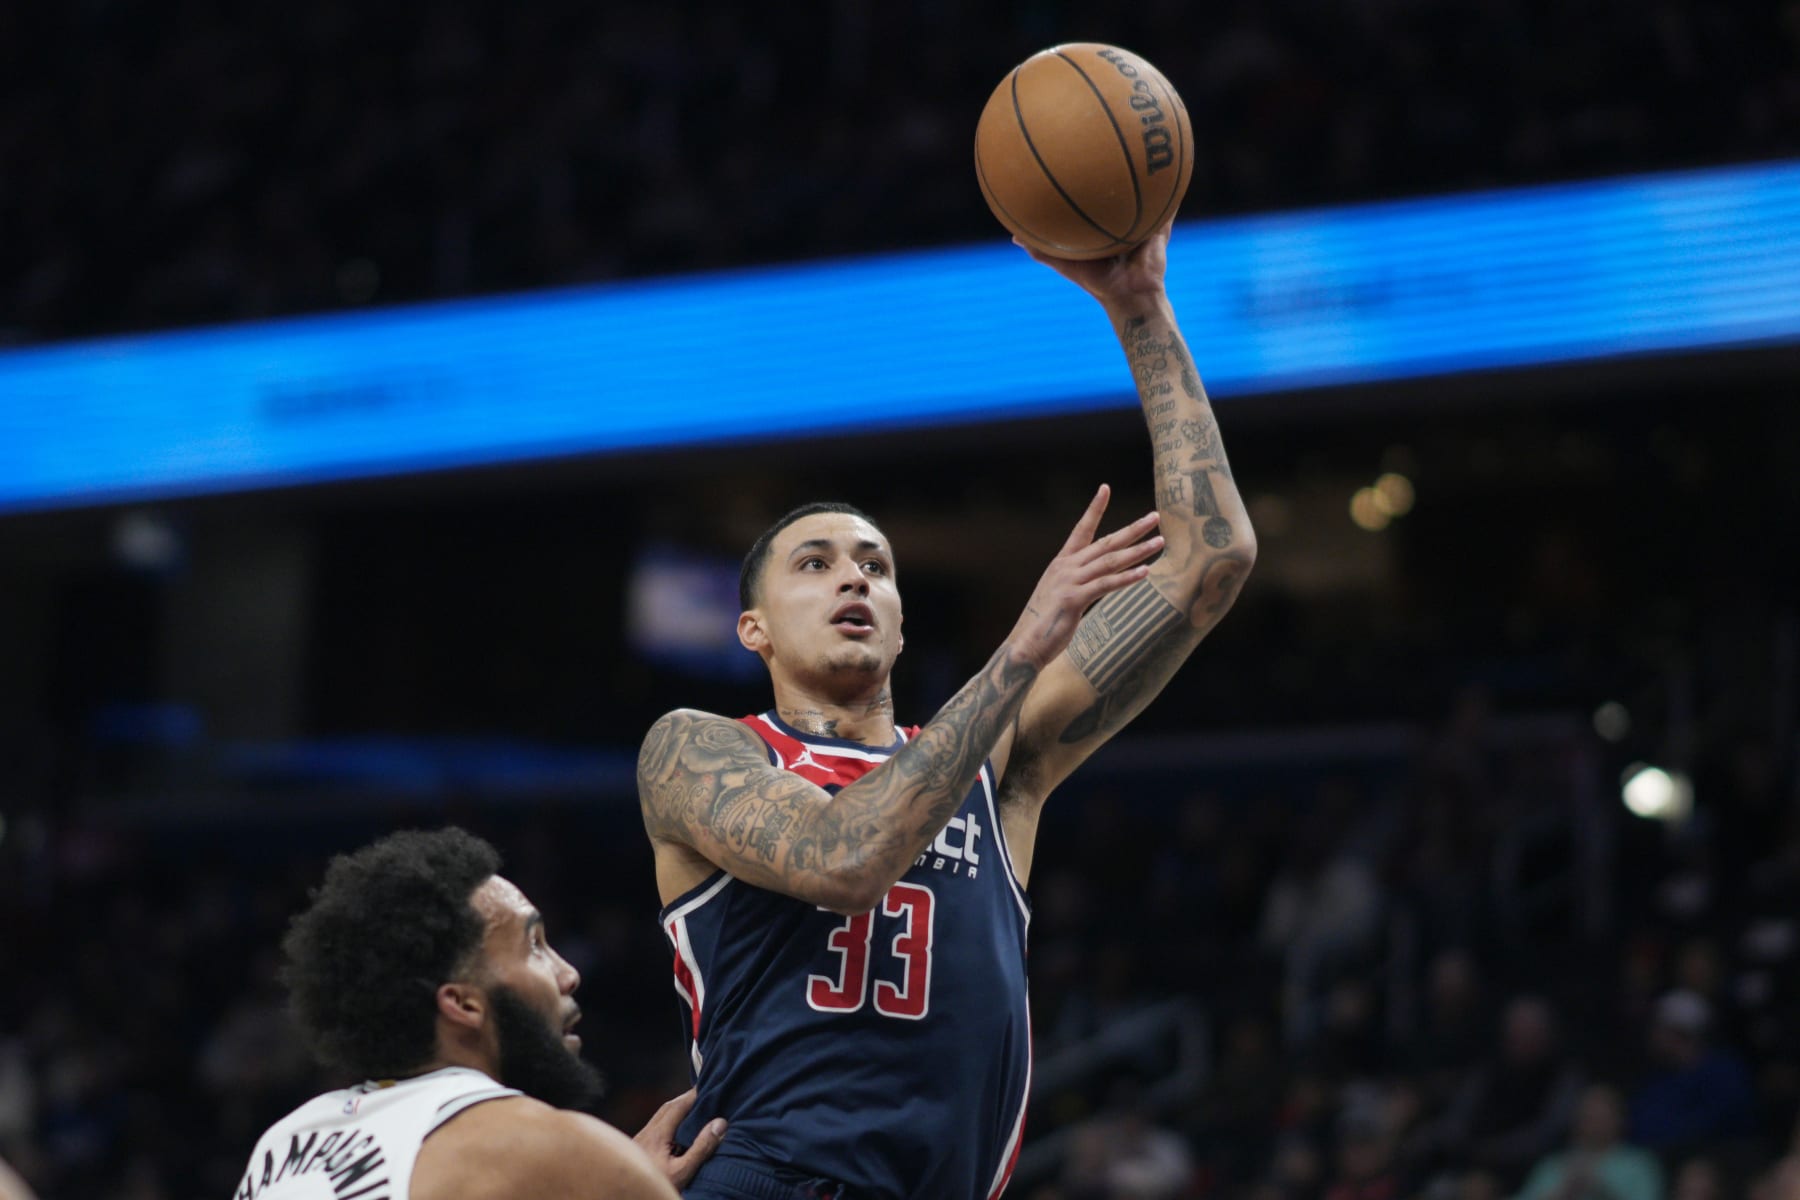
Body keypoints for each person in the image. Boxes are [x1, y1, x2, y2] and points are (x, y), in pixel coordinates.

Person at [636, 222, 1256, 1199]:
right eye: (817, 563)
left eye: (875, 567)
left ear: (899, 618)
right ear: (751, 629)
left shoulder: (994, 758)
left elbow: (1211, 561)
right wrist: (1021, 648)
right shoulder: (696, 751)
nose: (854, 577)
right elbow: (842, 859)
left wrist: (1142, 313)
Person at [227, 827, 723, 1199]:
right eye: (534, 946)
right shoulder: (554, 1148)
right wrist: (618, 1179)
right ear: (463, 1003)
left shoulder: (284, 1142)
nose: (567, 973)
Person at [1514, 1084, 1663, 1200]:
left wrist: (1601, 1190)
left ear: (1620, 1120)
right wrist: (1562, 1192)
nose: (1594, 1123)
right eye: (1588, 1116)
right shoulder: (1552, 1165)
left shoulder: (1639, 1165)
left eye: (1602, 1116)